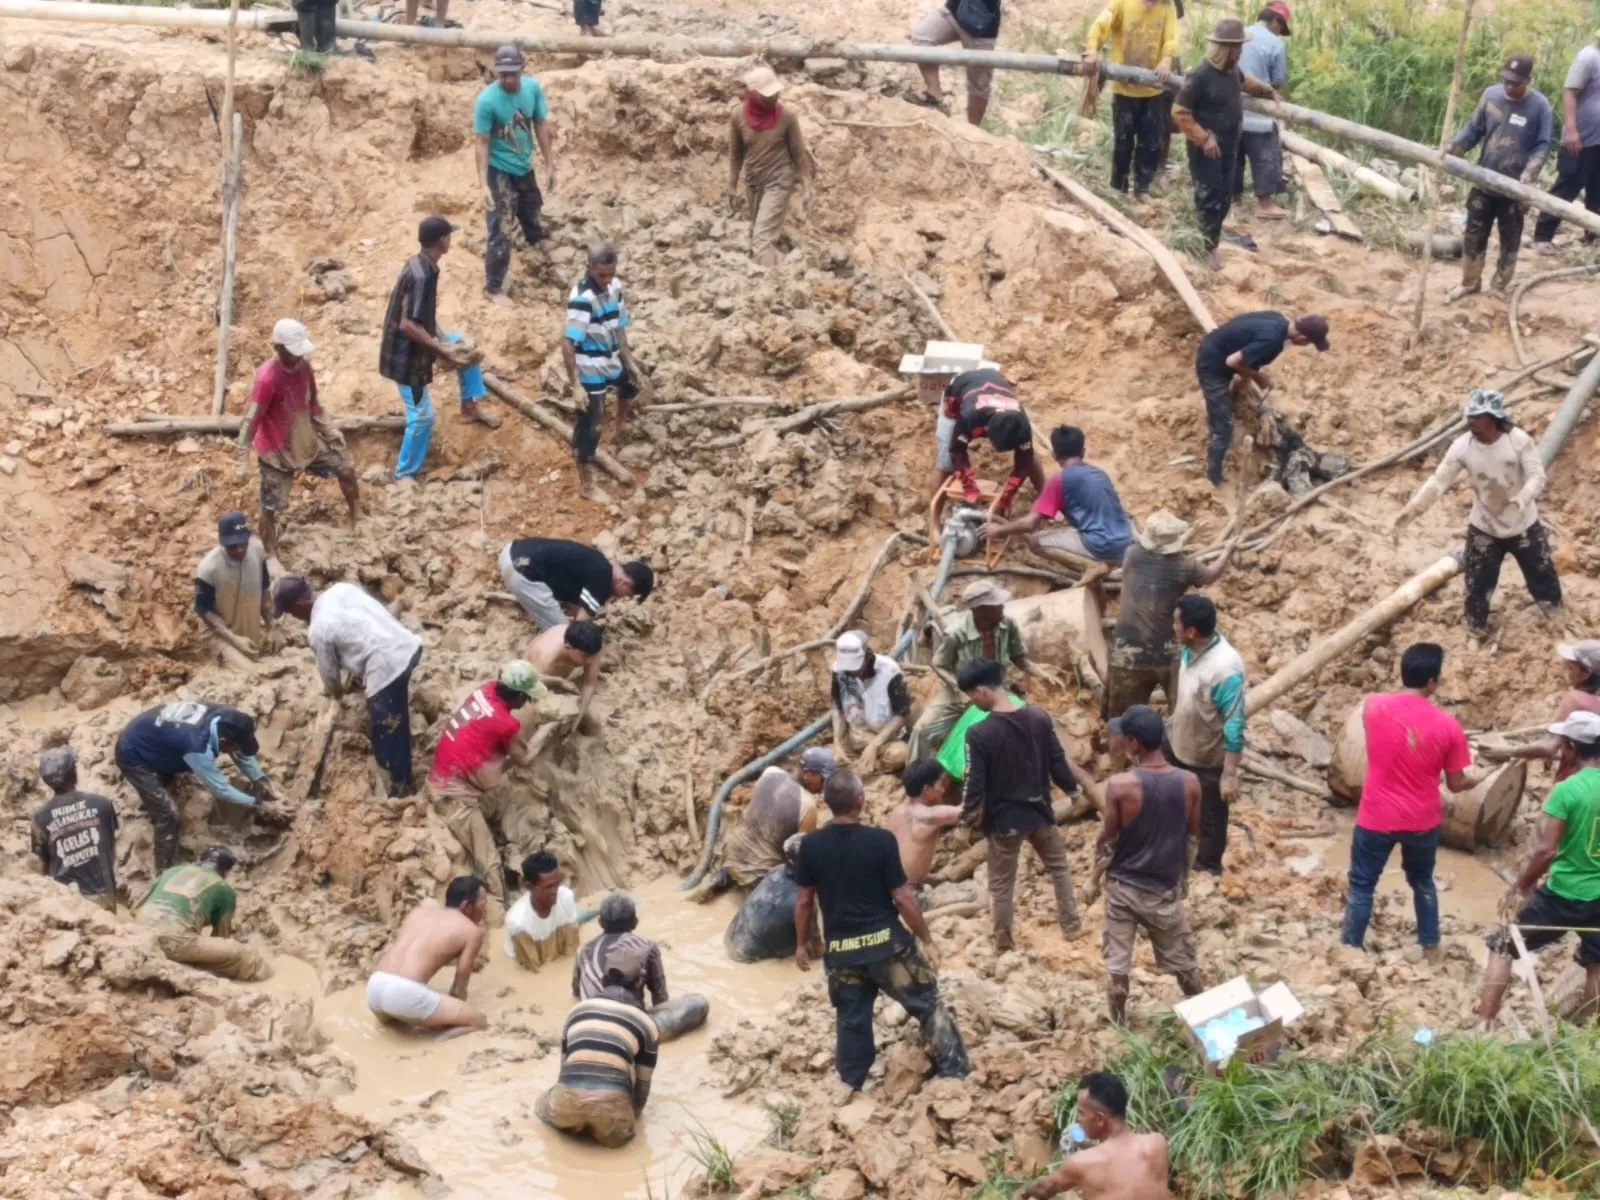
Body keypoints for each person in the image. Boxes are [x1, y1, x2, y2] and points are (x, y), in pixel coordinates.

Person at [794, 770, 970, 1093]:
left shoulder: (810, 847)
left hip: (843, 954)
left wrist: (801, 945)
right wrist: (926, 938)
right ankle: (954, 1073)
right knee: (927, 1003)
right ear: (861, 801)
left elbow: (805, 902)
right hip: (888, 947)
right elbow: (903, 898)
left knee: (851, 1019)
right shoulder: (881, 841)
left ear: (826, 804)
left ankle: (851, 1084)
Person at [1341, 644, 1480, 959]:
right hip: (1422, 820)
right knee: (1422, 882)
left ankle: (1350, 950)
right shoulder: (1450, 727)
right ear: (1432, 682)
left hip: (1376, 816)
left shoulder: (1373, 707)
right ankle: (1430, 945)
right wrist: (1477, 779)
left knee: (1362, 885)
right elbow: (1456, 784)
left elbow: (1377, 748)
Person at [1391, 389, 1560, 635]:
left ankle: (1554, 614)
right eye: (1470, 416)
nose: (1471, 421)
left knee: (1542, 573)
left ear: (1493, 418)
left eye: (1477, 417)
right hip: (1484, 527)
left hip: (1523, 524)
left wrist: (1524, 496)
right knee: (1477, 583)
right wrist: (1412, 510)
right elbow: (1438, 482)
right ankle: (1476, 627)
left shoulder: (1518, 441)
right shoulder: (1462, 447)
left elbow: (1537, 475)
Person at [1479, 711, 1600, 1027]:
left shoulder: (1568, 790)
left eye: (1563, 745)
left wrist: (1520, 885)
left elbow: (1547, 850)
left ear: (1573, 748)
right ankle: (1589, 1038)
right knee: (1597, 964)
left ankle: (1484, 1025)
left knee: (1504, 945)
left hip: (1565, 893)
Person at [959, 658, 1088, 948]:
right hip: (1040, 812)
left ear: (981, 691)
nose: (973, 703)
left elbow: (975, 784)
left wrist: (965, 823)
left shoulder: (979, 734)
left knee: (1002, 884)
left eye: (971, 697)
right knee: (1059, 869)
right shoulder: (1039, 718)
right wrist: (1073, 792)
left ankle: (1004, 943)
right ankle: (1071, 926)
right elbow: (1057, 760)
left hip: (1004, 821)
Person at [273, 576, 424, 798]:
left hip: (387, 666)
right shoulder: (340, 589)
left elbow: (331, 678)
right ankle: (404, 777)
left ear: (298, 606)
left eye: (290, 612)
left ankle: (400, 791)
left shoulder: (318, 629)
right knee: (396, 719)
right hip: (407, 644)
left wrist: (335, 694)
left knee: (386, 732)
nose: (293, 617)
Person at [1098, 707, 1203, 1023]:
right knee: (1185, 964)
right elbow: (1192, 839)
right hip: (1163, 893)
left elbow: (1107, 841)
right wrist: (1184, 881)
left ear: (1134, 743)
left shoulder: (1120, 786)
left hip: (1123, 888)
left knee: (1118, 967)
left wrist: (1093, 879)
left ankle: (1120, 1025)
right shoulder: (1189, 783)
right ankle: (1202, 1015)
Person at [379, 216, 498, 484]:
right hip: (405, 356)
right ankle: (405, 475)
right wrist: (441, 351)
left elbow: (423, 315)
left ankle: (469, 408)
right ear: (442, 240)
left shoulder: (421, 265)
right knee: (422, 417)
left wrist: (446, 342)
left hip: (416, 343)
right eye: (449, 236)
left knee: (465, 348)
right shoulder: (422, 275)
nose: (450, 239)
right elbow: (408, 324)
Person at [427, 662, 549, 904]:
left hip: (443, 774)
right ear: (518, 696)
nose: (527, 703)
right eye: (527, 697)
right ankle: (501, 907)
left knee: (502, 795)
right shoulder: (506, 724)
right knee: (489, 860)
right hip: (451, 797)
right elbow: (524, 759)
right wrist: (548, 730)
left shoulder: (486, 689)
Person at [237, 318, 359, 557]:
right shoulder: (267, 379)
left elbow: (313, 405)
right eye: (292, 353)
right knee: (270, 506)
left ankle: (357, 515)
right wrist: (242, 454)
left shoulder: (304, 368)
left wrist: (329, 430)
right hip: (276, 451)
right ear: (278, 348)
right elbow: (251, 418)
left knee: (345, 467)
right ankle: (270, 553)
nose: (297, 358)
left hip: (304, 441)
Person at [115, 702, 285, 871]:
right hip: (133, 753)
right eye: (233, 747)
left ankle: (158, 785)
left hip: (155, 733)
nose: (235, 751)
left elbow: (241, 754)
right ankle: (163, 871)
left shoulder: (225, 717)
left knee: (174, 779)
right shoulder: (197, 746)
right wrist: (260, 804)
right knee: (168, 814)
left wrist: (261, 780)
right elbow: (221, 790)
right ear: (224, 741)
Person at [1171, 19, 1282, 269]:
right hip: (1207, 148)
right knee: (1209, 197)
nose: (1241, 52)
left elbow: (1245, 82)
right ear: (1227, 49)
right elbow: (1179, 111)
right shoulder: (1200, 76)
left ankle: (1212, 241)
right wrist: (1203, 138)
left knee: (1223, 196)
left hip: (1229, 145)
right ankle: (1206, 248)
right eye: (1237, 48)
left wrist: (1266, 90)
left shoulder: (1231, 71)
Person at [1107, 511, 1233, 719]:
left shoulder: (1131, 555)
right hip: (1168, 653)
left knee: (1123, 720)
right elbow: (1210, 576)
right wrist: (1227, 552)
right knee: (1182, 716)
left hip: (1127, 651)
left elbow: (1154, 548)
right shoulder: (1185, 565)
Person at [1447, 55, 1552, 299]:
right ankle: (1470, 282)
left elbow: (1543, 145)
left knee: (1510, 239)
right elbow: (1474, 130)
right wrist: (1455, 148)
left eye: (1516, 83)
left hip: (1515, 188)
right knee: (1474, 234)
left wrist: (1530, 172)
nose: (1509, 87)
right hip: (1484, 181)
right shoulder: (1491, 96)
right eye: (1507, 81)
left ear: (1528, 80)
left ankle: (1499, 287)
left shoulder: (1540, 107)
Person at [539, 942, 660, 1146]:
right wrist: (630, 1119)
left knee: (542, 1103)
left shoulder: (576, 1012)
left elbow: (563, 1072)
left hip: (567, 1108)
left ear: (603, 980)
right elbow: (641, 1092)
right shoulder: (647, 1025)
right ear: (639, 985)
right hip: (609, 1116)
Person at [1193, 310, 1330, 486]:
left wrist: (1250, 375)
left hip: (1216, 346)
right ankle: (1212, 477)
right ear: (1302, 338)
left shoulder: (1277, 318)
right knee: (1224, 426)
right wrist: (1259, 377)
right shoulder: (1272, 341)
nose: (1305, 345)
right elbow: (1232, 361)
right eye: (1309, 343)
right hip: (1212, 365)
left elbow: (1245, 344)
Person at [907, 579, 1035, 762]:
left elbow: (1019, 657)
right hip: (958, 695)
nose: (1002, 607)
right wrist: (960, 689)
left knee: (1023, 725)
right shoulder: (956, 633)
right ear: (981, 610)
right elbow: (939, 664)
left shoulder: (1008, 625)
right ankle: (917, 774)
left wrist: (1040, 673)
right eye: (996, 604)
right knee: (922, 730)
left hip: (998, 691)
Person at [687, 747, 832, 903]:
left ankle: (720, 877)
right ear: (808, 773)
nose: (824, 786)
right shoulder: (807, 805)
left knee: (746, 857)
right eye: (823, 779)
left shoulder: (771, 772)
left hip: (733, 850)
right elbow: (803, 858)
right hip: (758, 873)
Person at [1167, 595, 1247, 875]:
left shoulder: (1225, 668)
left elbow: (1235, 722)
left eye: (1176, 623)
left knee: (1210, 820)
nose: (1173, 627)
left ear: (1191, 631)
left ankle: (1207, 872)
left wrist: (1229, 773)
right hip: (1181, 742)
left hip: (1207, 757)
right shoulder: (1190, 648)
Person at [564, 244, 647, 500]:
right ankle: (586, 480)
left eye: (611, 274)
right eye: (602, 275)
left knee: (631, 384)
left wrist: (629, 361)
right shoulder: (583, 299)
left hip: (610, 355)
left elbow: (619, 326)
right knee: (593, 420)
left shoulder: (615, 287)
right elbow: (568, 343)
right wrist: (576, 385)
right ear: (589, 268)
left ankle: (618, 431)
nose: (607, 280)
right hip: (589, 362)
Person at [984, 425, 1133, 567]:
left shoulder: (1059, 481)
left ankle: (1090, 568)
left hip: (1102, 547)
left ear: (1054, 455)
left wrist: (998, 530)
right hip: (1127, 540)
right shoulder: (1099, 473)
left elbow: (1030, 523)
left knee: (1035, 542)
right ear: (1083, 452)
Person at [475, 47, 555, 304]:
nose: (509, 79)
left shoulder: (532, 90)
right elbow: (481, 142)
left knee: (532, 208)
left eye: (513, 74)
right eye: (503, 75)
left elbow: (541, 124)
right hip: (499, 169)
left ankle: (535, 247)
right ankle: (494, 287)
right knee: (501, 227)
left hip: (523, 164)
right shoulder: (487, 101)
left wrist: (549, 164)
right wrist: (483, 185)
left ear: (522, 69)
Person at [1019, 1073, 1175, 1200]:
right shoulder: (1157, 1145)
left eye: (1081, 1113)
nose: (1079, 1119)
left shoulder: (1082, 1163)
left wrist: (1024, 1192)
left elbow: (1045, 1189)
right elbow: (1123, 1165)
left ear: (1100, 1119)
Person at [575, 893, 710, 1040]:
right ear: (635, 922)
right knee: (698, 1003)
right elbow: (660, 997)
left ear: (600, 922)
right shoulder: (647, 946)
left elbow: (577, 992)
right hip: (628, 1028)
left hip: (587, 1025)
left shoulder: (583, 951)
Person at [367, 876, 490, 1034]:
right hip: (404, 993)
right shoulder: (472, 931)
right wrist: (454, 1016)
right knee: (479, 1020)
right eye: (483, 905)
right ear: (467, 906)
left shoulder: (418, 913)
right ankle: (435, 1046)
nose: (485, 911)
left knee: (399, 1030)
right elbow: (458, 990)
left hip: (375, 987)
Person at [1082, 0, 1179, 199]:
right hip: (1124, 89)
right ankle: (1119, 187)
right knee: (1123, 141)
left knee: (1150, 142)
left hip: (1154, 90)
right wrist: (1092, 50)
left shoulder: (1167, 8)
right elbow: (1101, 25)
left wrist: (1166, 61)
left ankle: (1142, 189)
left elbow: (1171, 39)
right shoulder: (1122, 3)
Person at [930, 367, 1047, 526]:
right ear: (988, 430)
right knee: (946, 464)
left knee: (1030, 456)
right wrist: (969, 488)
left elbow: (1024, 461)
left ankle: (1046, 498)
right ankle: (934, 522)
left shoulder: (1021, 423)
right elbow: (957, 450)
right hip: (958, 395)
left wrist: (1005, 498)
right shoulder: (969, 417)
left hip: (992, 383)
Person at [135, 845, 271, 981]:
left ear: (200, 860)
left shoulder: (173, 871)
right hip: (174, 941)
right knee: (246, 956)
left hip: (140, 929)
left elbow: (138, 905)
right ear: (226, 872)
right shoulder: (224, 889)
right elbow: (221, 936)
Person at [728, 65, 814, 266]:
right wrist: (732, 186)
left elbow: (798, 154)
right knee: (758, 232)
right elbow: (735, 155)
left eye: (776, 93)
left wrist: (807, 186)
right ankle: (786, 260)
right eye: (768, 95)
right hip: (754, 181)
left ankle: (784, 270)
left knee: (761, 240)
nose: (774, 98)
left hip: (779, 180)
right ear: (753, 94)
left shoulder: (787, 117)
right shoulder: (738, 116)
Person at [1482, 641, 1600, 777]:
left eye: (1572, 667)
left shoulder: (1575, 699)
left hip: (1577, 782)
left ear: (1586, 674)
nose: (1568, 672)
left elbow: (1548, 747)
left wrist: (1507, 752)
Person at [1532, 33, 1600, 253]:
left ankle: (1593, 235)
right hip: (1581, 139)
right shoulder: (1588, 58)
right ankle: (1543, 236)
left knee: (1597, 191)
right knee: (1567, 186)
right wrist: (1571, 130)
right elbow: (1570, 92)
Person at [499, 536, 654, 631]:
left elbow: (576, 606)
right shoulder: (604, 580)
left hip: (510, 554)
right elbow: (578, 628)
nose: (620, 598)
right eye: (627, 595)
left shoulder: (599, 562)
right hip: (524, 574)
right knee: (562, 635)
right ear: (625, 584)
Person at [32, 746, 119, 911]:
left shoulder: (40, 818)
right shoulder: (102, 804)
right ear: (74, 772)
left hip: (67, 901)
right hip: (103, 894)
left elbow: (42, 865)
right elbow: (110, 847)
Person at [1234, 3, 1292, 221]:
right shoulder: (1275, 44)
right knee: (1266, 157)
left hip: (1232, 108)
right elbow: (1277, 80)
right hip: (1259, 112)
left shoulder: (1238, 34)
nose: (1280, 33)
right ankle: (1265, 203)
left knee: (1234, 155)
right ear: (1276, 21)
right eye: (1281, 28)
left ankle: (1234, 198)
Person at [831, 630, 914, 774]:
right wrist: (837, 741)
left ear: (867, 656)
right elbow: (837, 707)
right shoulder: (839, 670)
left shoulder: (890, 671)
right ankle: (861, 764)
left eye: (855, 667)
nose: (852, 672)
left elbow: (902, 714)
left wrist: (874, 745)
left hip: (885, 739)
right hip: (855, 736)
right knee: (830, 758)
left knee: (900, 754)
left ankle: (869, 767)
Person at [195, 511, 273, 663]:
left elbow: (265, 590)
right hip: (221, 636)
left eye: (243, 543)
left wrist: (271, 626)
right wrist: (233, 638)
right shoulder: (209, 568)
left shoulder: (257, 551)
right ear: (222, 543)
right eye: (232, 546)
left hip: (249, 634)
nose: (239, 550)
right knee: (249, 670)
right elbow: (203, 610)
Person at [907, 0, 1001, 126]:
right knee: (921, 36)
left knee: (979, 84)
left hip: (982, 25)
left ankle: (973, 128)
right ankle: (934, 96)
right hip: (953, 11)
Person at [726, 834, 817, 964]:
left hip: (731, 939)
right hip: (749, 959)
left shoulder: (777, 870)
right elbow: (815, 949)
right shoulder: (804, 900)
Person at [889, 759, 964, 885]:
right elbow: (968, 811)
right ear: (927, 790)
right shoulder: (926, 816)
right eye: (941, 784)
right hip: (906, 889)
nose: (943, 790)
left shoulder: (896, 812)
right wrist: (975, 777)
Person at [505, 851, 580, 970]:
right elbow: (534, 972)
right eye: (549, 887)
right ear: (529, 886)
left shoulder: (566, 897)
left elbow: (571, 953)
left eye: (557, 884)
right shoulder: (518, 923)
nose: (555, 891)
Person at [526, 621, 605, 726]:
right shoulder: (547, 658)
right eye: (585, 656)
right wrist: (559, 682)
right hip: (535, 668)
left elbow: (589, 684)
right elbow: (530, 684)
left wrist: (579, 717)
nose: (590, 661)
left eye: (592, 656)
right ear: (568, 647)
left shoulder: (591, 646)